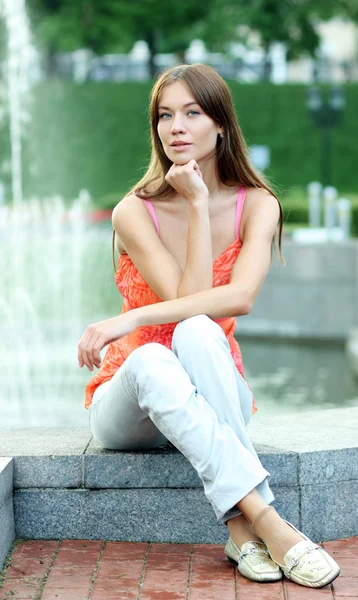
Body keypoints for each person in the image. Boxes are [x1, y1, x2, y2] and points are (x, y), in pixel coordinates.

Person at [78, 63, 340, 588]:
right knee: (153, 355)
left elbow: (231, 301)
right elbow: (189, 299)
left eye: (192, 113)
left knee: (197, 333)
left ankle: (242, 536)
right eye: (165, 115)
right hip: (130, 406)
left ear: (221, 124)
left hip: (214, 385)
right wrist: (195, 205)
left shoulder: (257, 203)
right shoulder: (135, 210)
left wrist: (130, 315)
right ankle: (263, 521)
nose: (175, 127)